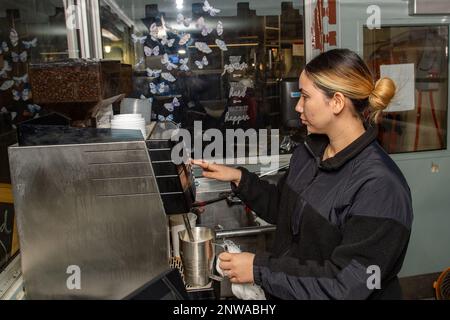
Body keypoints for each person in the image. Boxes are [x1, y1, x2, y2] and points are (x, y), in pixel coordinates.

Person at [192, 48, 413, 300]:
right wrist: (238, 178)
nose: (298, 106)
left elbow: (347, 285)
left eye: (305, 96)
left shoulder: (380, 187)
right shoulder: (310, 152)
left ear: (337, 102)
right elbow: (284, 207)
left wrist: (260, 270)